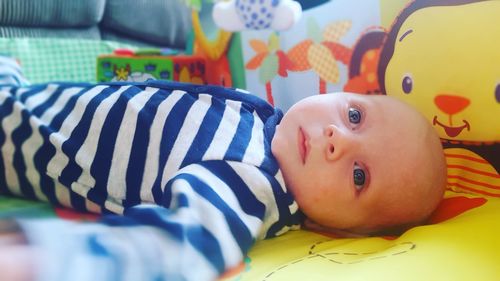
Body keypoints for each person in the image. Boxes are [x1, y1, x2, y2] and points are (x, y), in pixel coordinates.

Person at [0, 56, 447, 281]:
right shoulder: (267, 122)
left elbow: (180, 247)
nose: (339, 140)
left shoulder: (251, 185)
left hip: (23, 141)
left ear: (345, 231)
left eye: (358, 176)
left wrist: (43, 258)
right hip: (45, 102)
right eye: (355, 116)